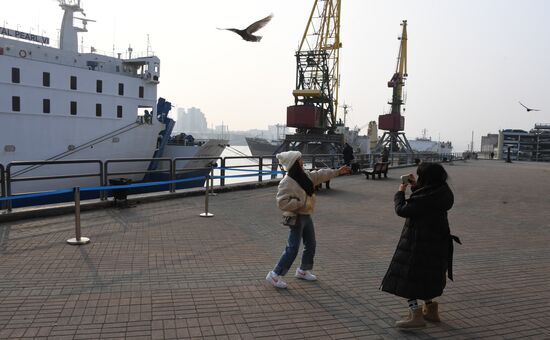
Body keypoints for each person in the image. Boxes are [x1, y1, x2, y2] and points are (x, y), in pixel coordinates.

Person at [380, 162, 460, 329]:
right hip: (435, 245)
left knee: (409, 279)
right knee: (425, 278)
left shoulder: (425, 198)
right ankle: (431, 311)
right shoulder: (442, 191)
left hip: (418, 244)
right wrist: (416, 187)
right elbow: (425, 199)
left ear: (427, 178)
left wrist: (400, 192)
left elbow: (402, 210)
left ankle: (415, 315)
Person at [266, 151, 351, 289]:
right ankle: (275, 274)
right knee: (292, 248)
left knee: (311, 243)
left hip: (306, 215)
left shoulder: (304, 175)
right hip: (297, 217)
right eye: (299, 159)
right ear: (294, 163)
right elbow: (282, 203)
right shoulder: (287, 181)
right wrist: (300, 201)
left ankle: (303, 270)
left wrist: (338, 171)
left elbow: (320, 174)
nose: (302, 161)